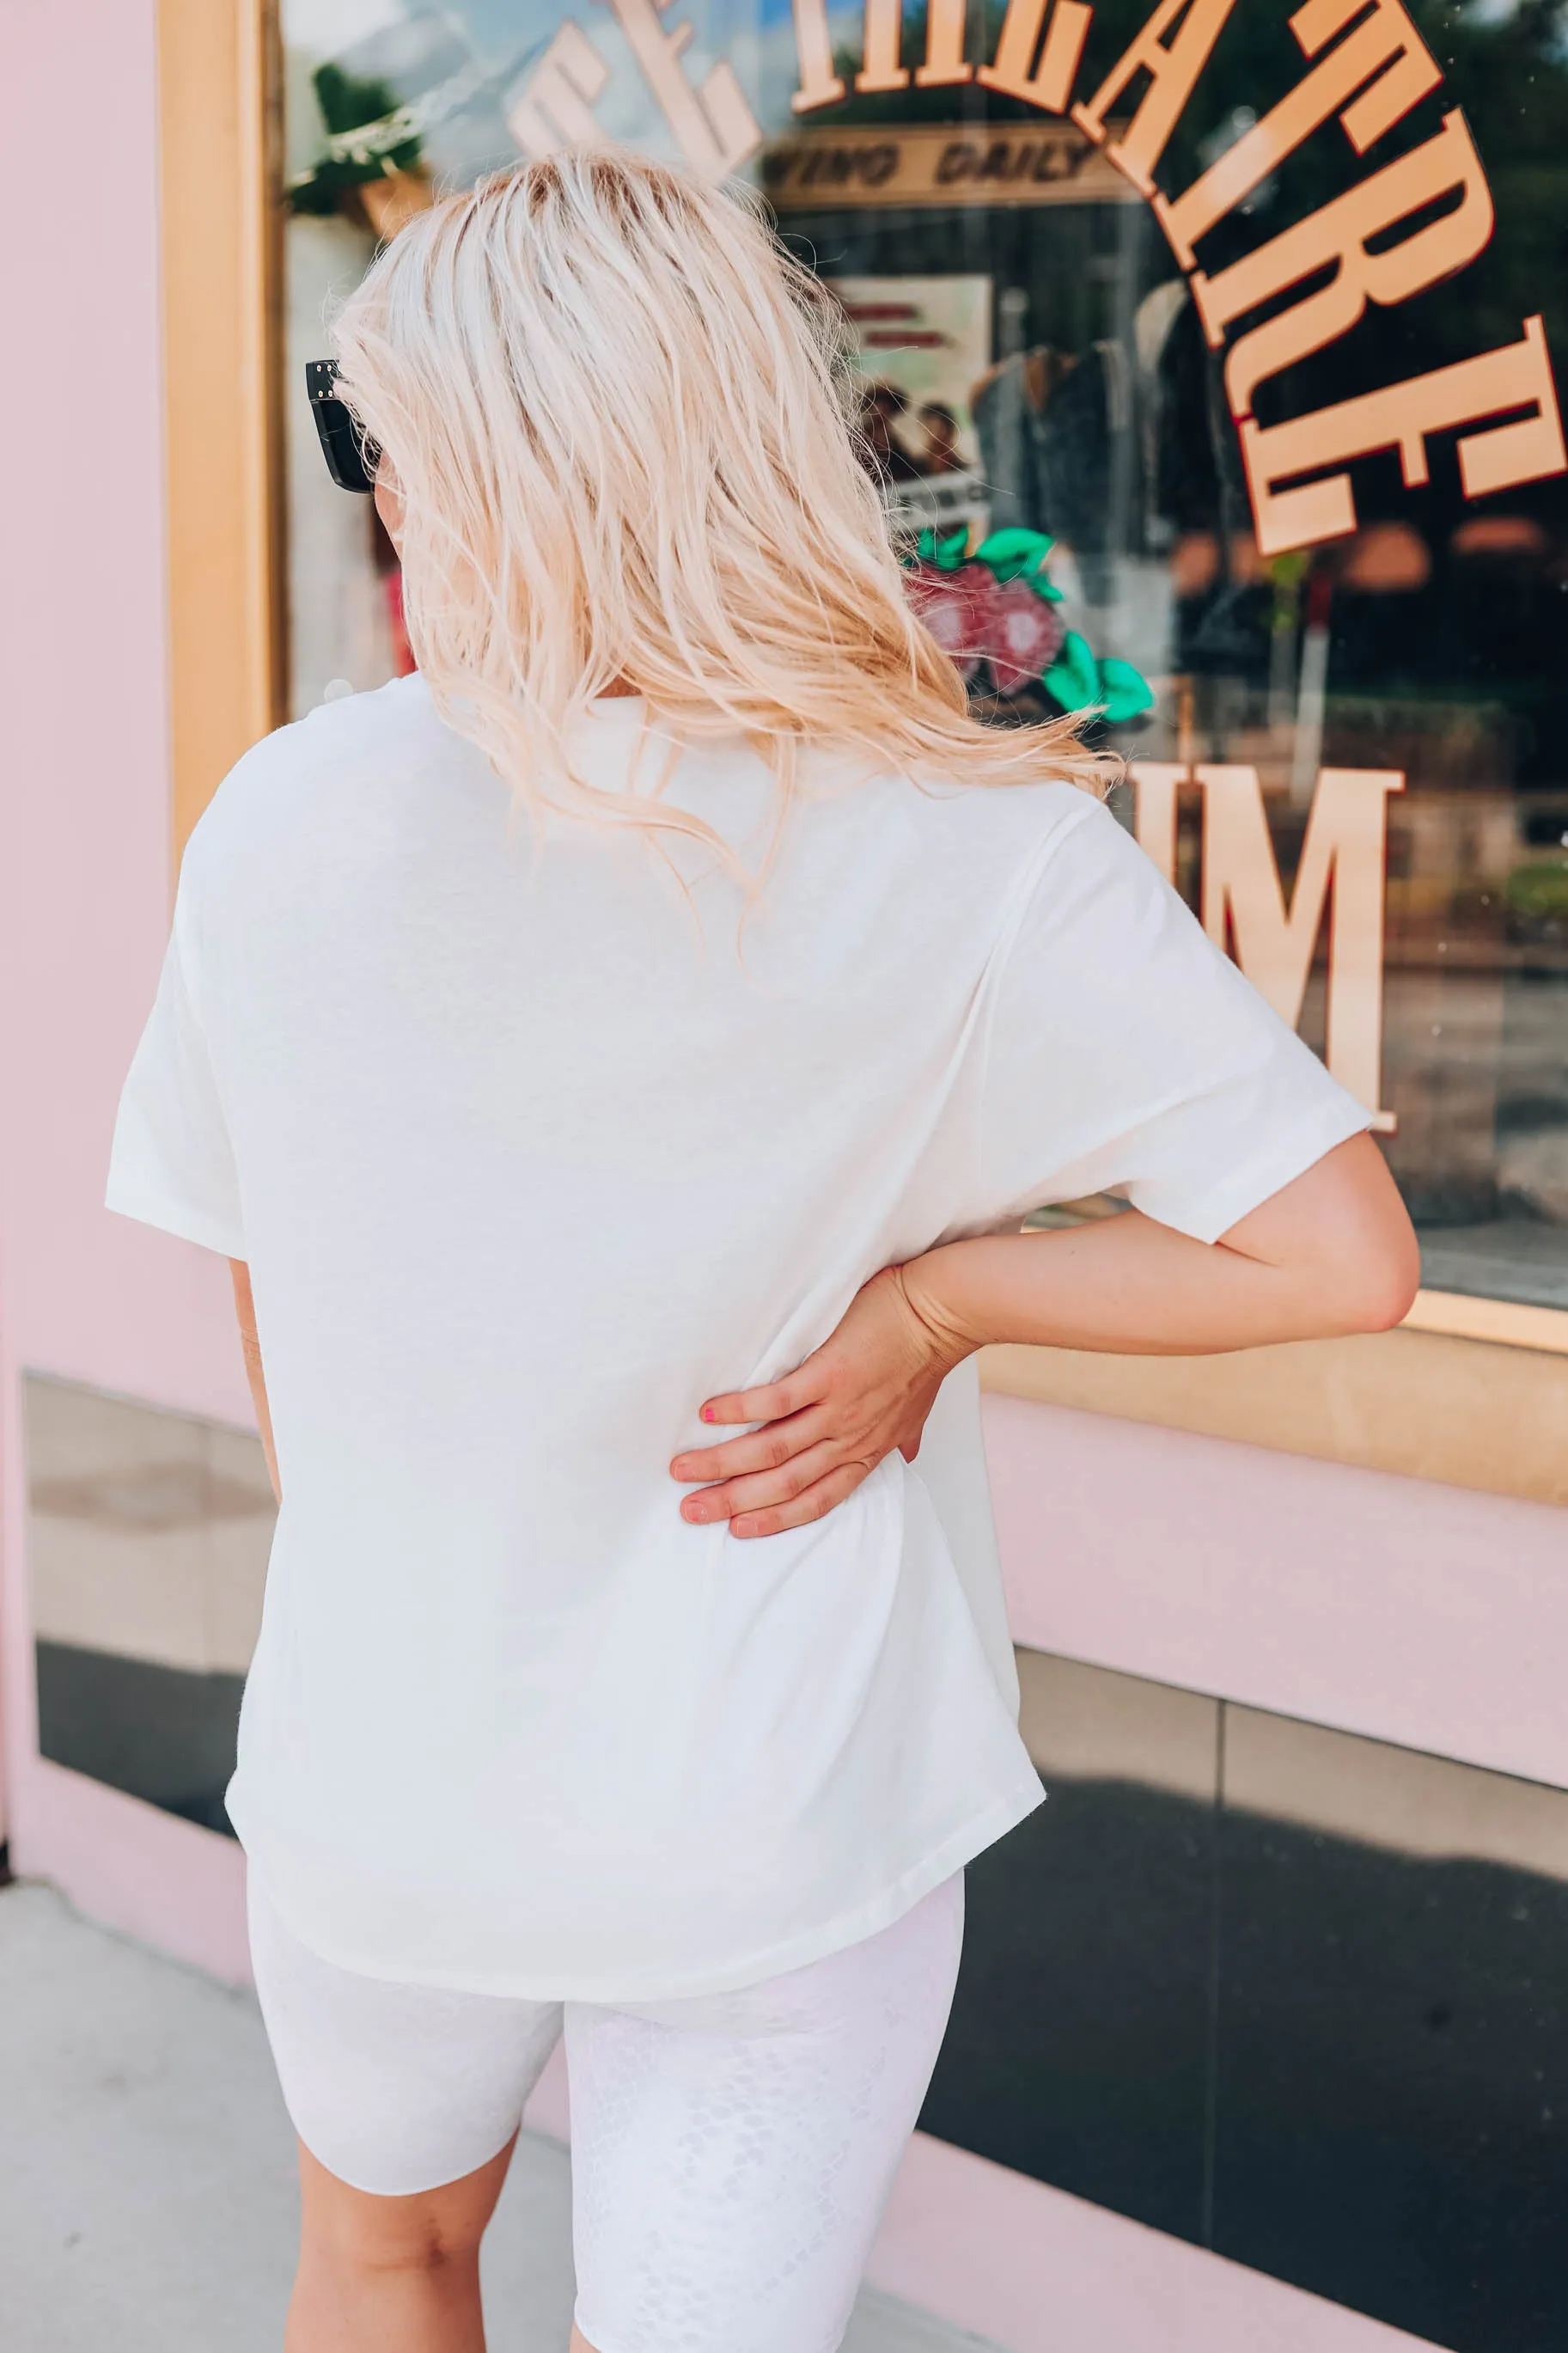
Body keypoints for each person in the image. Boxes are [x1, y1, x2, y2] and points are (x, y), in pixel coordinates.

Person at [107, 150, 1419, 2353]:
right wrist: (940, 1302)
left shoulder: (289, 817)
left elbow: (275, 1298)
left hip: (383, 1768)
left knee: (377, 2259)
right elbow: (1343, 1256)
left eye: (373, 437)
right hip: (772, 1812)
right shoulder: (970, 839)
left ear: (458, 463)